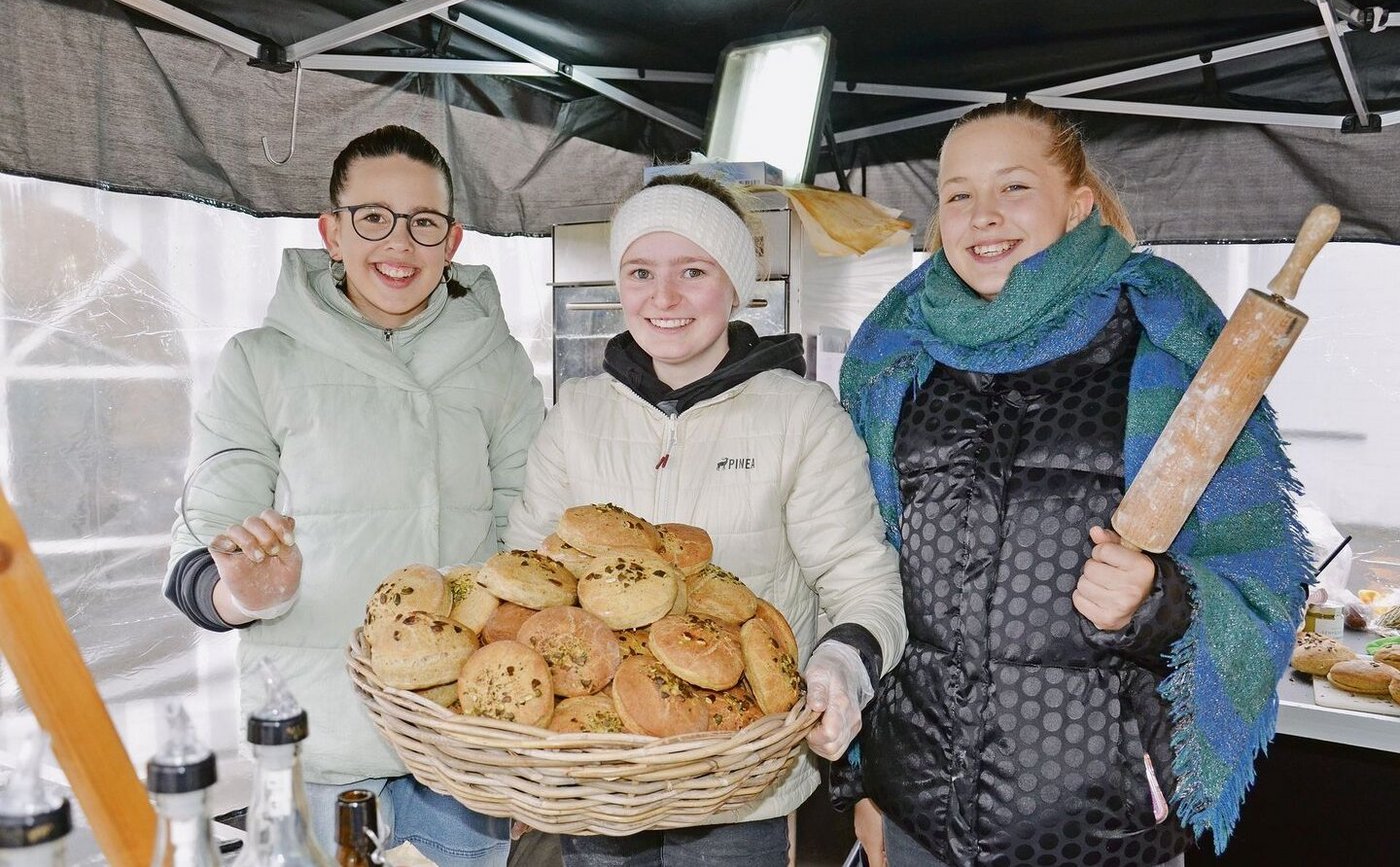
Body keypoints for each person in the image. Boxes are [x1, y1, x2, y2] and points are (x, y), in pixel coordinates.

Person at [834, 99, 1312, 867]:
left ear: (1078, 203)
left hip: (1099, 827)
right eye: (958, 193)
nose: (983, 215)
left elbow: (1259, 577)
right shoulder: (893, 353)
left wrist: (1155, 597)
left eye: (1014, 187)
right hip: (913, 815)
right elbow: (852, 578)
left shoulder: (1161, 331)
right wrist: (857, 789)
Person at [165, 124, 544, 865]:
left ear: (453, 240)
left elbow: (528, 537)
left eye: (423, 223)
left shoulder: (497, 364)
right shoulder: (260, 362)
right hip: (315, 743)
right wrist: (245, 592)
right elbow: (200, 551)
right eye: (372, 217)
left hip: (460, 743)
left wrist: (528, 745)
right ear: (331, 232)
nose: (397, 245)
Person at [502, 173, 908, 867]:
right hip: (603, 781)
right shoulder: (577, 417)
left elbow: (861, 576)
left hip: (737, 790)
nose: (663, 298)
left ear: (738, 285)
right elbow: (527, 576)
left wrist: (841, 662)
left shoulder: (800, 417)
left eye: (693, 270)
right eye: (640, 271)